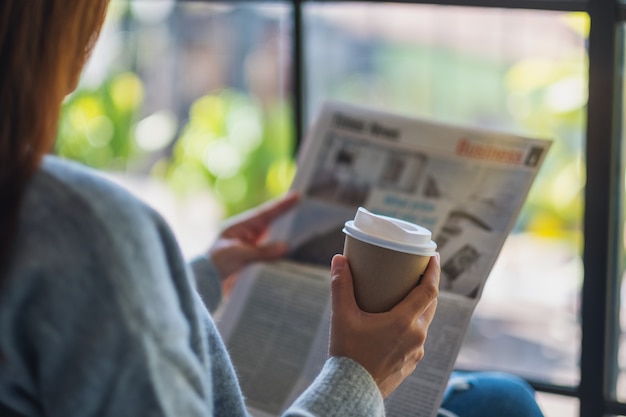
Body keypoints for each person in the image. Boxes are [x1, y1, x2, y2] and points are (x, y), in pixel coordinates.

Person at [0, 2, 544, 417]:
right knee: (505, 403)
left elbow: (68, 321)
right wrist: (359, 378)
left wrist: (193, 278)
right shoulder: (80, 225)